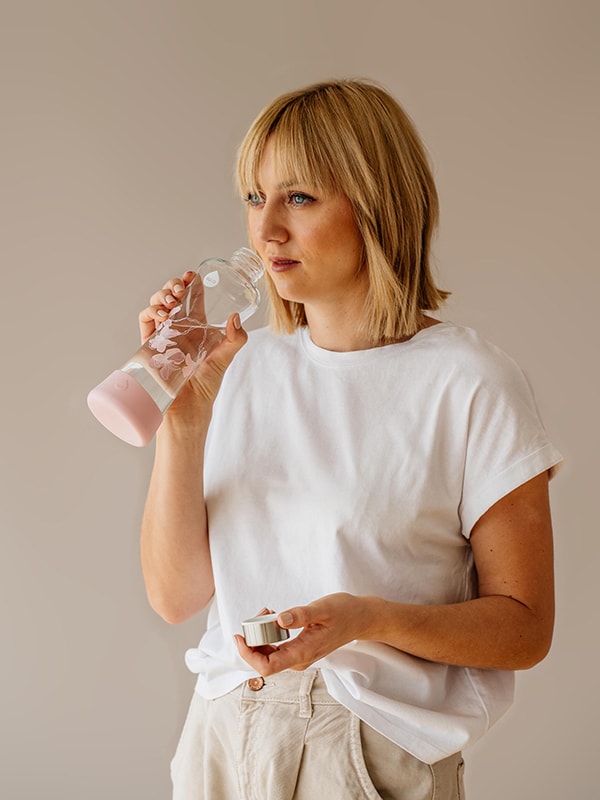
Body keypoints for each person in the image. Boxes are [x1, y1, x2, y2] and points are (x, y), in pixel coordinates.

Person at [138, 79, 563, 799]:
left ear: (377, 203)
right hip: (221, 740)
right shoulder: (239, 364)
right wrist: (181, 422)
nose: (266, 228)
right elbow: (175, 596)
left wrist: (365, 620)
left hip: (366, 752)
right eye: (253, 197)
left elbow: (524, 628)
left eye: (299, 198)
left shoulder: (470, 381)